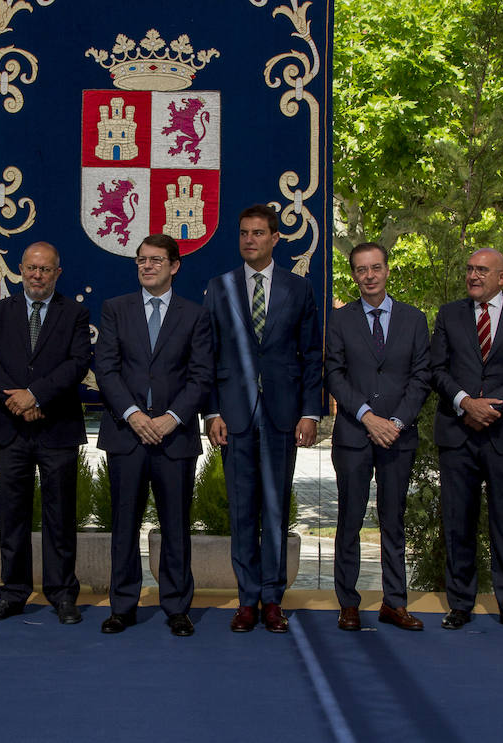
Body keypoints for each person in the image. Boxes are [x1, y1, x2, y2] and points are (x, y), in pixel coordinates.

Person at [204, 204, 323, 633]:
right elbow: (209, 353)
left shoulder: (299, 288)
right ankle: (247, 601)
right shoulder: (220, 287)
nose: (249, 239)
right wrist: (212, 410)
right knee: (241, 511)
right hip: (233, 416)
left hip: (281, 415)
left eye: (258, 233)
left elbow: (311, 355)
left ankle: (273, 599)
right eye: (243, 233)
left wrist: (311, 411)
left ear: (276, 238)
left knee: (274, 511)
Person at [93, 234, 212, 637]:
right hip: (127, 435)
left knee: (176, 525)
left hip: (174, 437)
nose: (147, 266)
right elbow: (105, 370)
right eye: (141, 260)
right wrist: (133, 415)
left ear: (174, 265)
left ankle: (177, 606)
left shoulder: (195, 315)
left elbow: (201, 376)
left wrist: (172, 417)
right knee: (124, 523)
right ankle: (122, 606)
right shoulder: (115, 309)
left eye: (156, 260)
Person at [429, 248, 503, 634]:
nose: (473, 276)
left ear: (502, 277)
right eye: (470, 269)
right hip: (459, 433)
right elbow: (437, 369)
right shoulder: (449, 315)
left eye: (482, 270)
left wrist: (491, 406)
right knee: (458, 522)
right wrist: (466, 403)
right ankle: (460, 603)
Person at [0, 242, 91, 625]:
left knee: (60, 517)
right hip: (9, 428)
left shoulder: (74, 313)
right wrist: (17, 399)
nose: (37, 275)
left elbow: (77, 364)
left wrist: (36, 395)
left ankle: (62, 594)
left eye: (46, 269)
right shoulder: (1, 311)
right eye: (31, 268)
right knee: (13, 516)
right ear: (20, 270)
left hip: (56, 427)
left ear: (58, 273)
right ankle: (13, 593)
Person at [324, 242, 431, 632]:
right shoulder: (340, 320)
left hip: (398, 438)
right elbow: (334, 373)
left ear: (387, 270)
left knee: (393, 520)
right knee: (349, 520)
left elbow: (422, 377)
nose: (369, 276)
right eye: (361, 270)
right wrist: (369, 417)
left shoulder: (414, 319)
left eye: (375, 268)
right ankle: (348, 604)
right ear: (354, 275)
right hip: (354, 434)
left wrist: (397, 422)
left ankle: (394, 603)